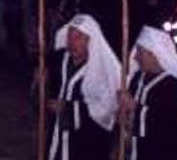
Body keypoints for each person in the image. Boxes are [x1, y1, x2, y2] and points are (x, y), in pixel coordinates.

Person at [46, 13, 121, 160]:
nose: (72, 42)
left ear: (90, 41)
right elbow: (47, 95)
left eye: (78, 38)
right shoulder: (59, 60)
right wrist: (42, 79)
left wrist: (68, 108)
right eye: (70, 37)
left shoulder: (101, 70)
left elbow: (105, 109)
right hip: (59, 135)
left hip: (88, 142)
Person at [119, 26, 177, 160]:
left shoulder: (176, 86)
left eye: (140, 52)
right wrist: (124, 115)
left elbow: (167, 124)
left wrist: (134, 107)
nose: (135, 57)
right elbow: (128, 121)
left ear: (154, 54)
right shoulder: (137, 79)